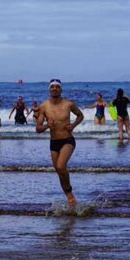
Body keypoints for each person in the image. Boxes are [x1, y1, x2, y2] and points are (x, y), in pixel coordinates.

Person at [36, 79, 84, 209]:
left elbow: (80, 115)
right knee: (59, 170)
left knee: (61, 165)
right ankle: (70, 196)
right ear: (49, 89)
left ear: (61, 89)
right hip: (54, 142)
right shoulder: (44, 106)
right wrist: (47, 125)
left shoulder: (68, 104)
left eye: (57, 87)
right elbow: (38, 129)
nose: (55, 89)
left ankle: (70, 194)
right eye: (52, 87)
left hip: (68, 140)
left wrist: (73, 125)